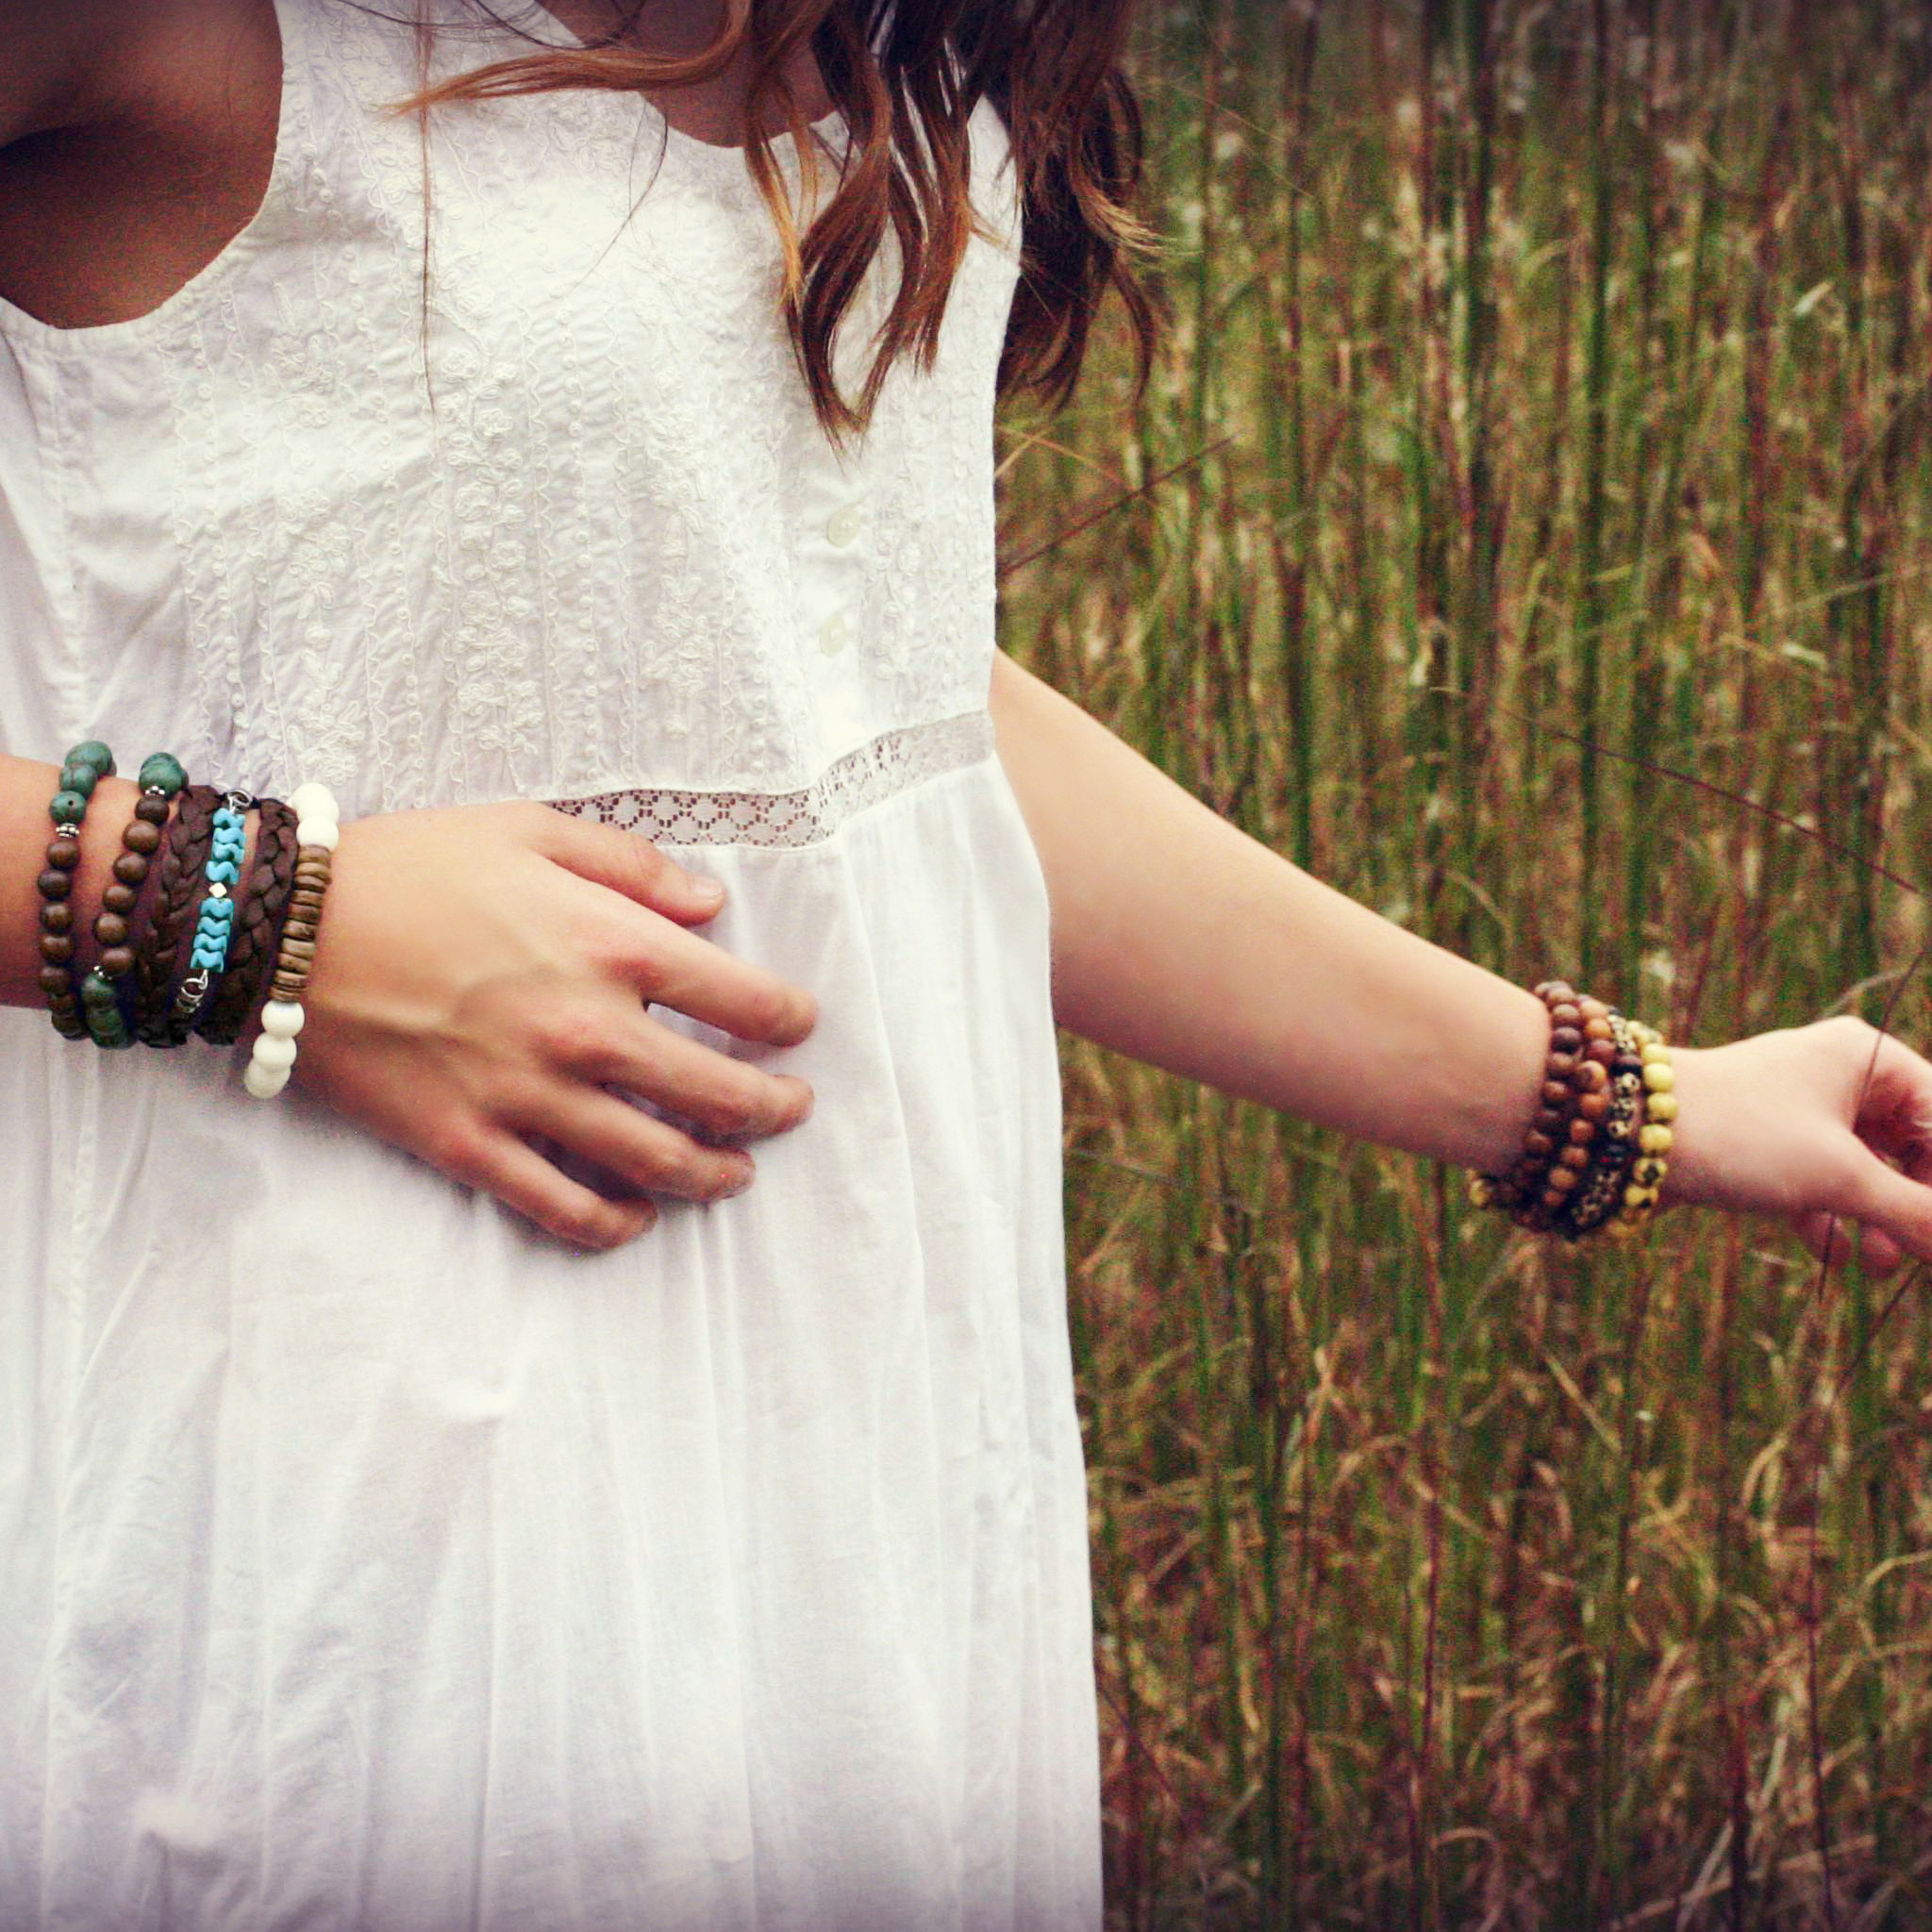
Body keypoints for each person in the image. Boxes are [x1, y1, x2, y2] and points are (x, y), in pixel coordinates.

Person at [3, 2, 1930, 1925]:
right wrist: (255, 911)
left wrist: (1614, 1099)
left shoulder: (903, 43)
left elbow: (870, 719)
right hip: (337, 1516)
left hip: (859, 1485)